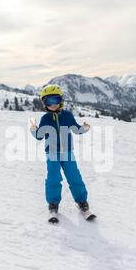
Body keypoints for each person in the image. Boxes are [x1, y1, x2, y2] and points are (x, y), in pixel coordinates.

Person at [30, 84, 96, 223]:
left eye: (55, 100)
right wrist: (33, 128)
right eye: (48, 101)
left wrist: (85, 128)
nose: (53, 104)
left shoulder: (67, 116)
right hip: (52, 153)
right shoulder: (45, 118)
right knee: (53, 178)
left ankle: (82, 202)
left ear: (61, 100)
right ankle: (53, 205)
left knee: (74, 176)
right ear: (44, 103)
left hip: (67, 153)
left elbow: (76, 129)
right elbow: (39, 136)